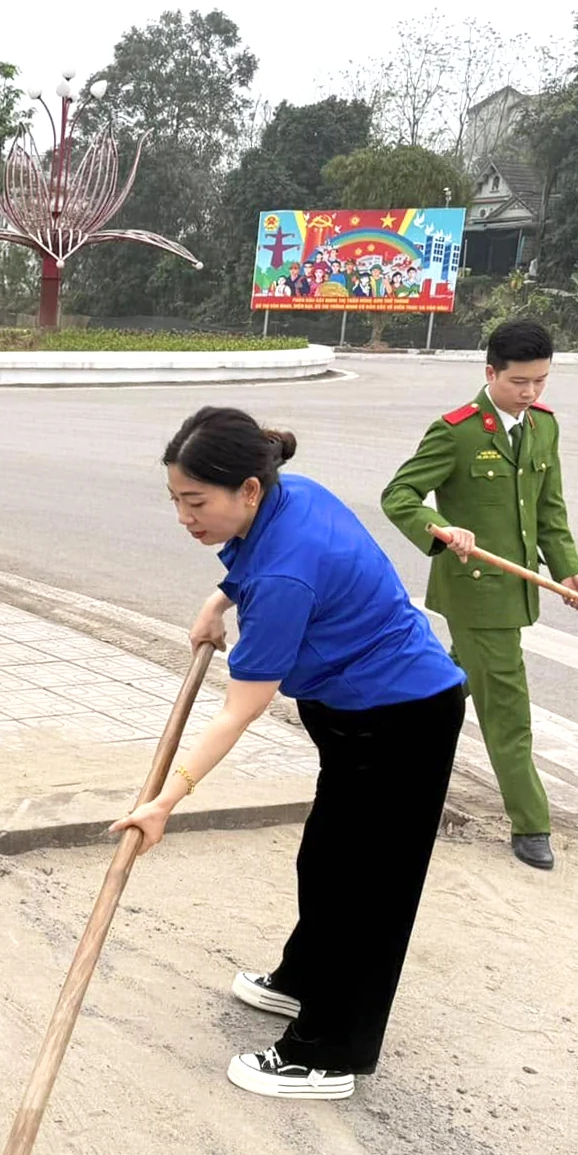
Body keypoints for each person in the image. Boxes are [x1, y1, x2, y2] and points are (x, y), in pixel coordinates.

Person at [115, 408, 467, 1101]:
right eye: (175, 501)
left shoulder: (284, 576)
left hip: (400, 722)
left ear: (246, 488)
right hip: (353, 717)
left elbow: (237, 711)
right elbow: (254, 560)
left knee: (368, 894)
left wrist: (164, 800)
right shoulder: (287, 493)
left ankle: (328, 1051)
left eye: (196, 502)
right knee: (327, 858)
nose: (184, 517)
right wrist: (218, 600)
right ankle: (302, 980)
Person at [381, 319, 578, 872]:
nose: (531, 393)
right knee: (507, 709)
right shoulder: (458, 431)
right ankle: (531, 822)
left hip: (517, 586)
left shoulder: (543, 427)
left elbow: (549, 510)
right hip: (476, 593)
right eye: (520, 382)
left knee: (448, 683)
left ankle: (385, 750)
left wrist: (569, 571)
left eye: (541, 381)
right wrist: (441, 528)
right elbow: (399, 494)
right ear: (490, 372)